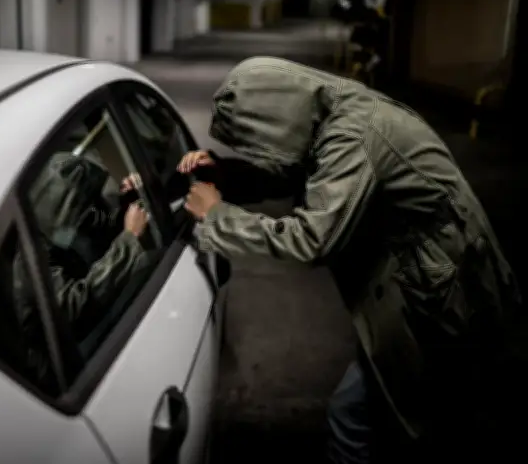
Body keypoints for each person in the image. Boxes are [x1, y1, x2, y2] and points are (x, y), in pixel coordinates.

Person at [178, 57, 523, 462]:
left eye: (257, 139)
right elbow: (307, 174)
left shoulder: (351, 135)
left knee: (362, 412)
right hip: (422, 277)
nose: (261, 149)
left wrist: (219, 217)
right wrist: (227, 174)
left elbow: (311, 238)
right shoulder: (332, 110)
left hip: (442, 291)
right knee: (429, 403)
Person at [13, 152, 151, 390]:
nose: (88, 211)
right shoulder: (31, 260)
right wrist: (129, 241)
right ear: (63, 205)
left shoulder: (62, 227)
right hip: (65, 368)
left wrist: (126, 203)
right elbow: (75, 308)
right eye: (82, 204)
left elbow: (100, 235)